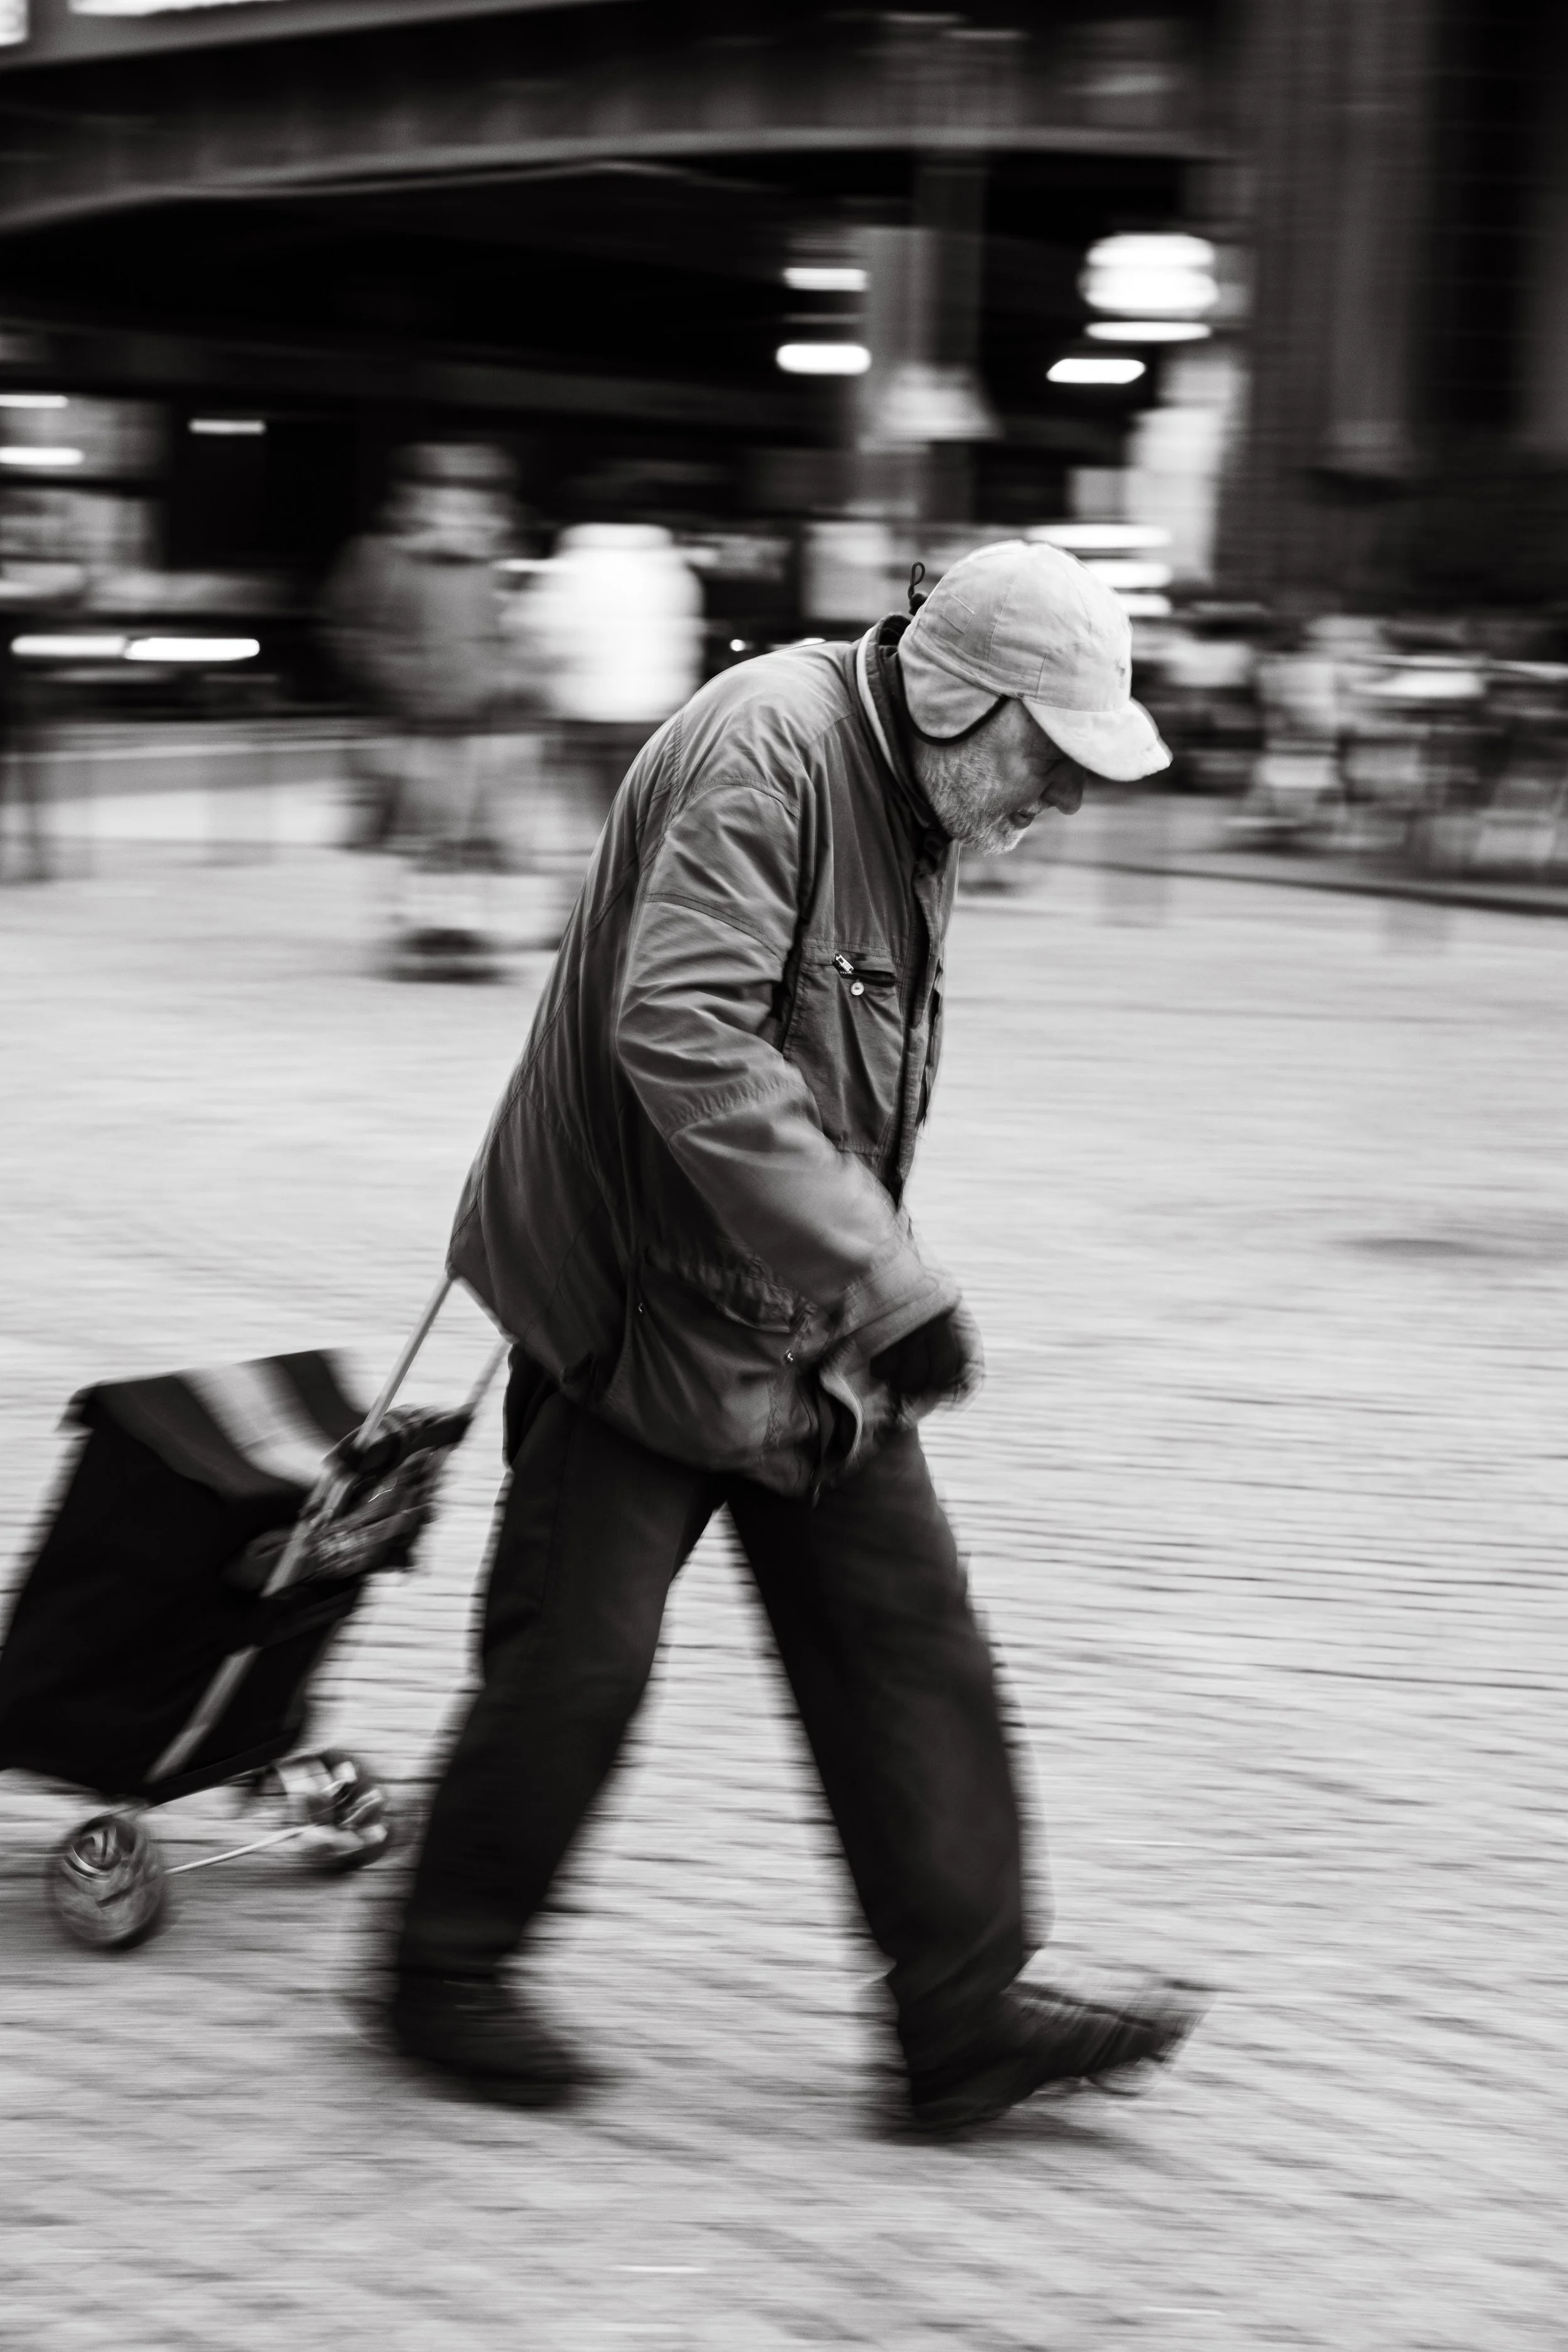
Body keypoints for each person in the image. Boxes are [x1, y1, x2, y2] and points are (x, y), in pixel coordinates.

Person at [389, 538, 1205, 2133]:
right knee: (583, 1655)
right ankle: (443, 1970)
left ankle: (959, 2013)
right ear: (961, 698)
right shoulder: (769, 752)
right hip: (631, 1295)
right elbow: (678, 1028)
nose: (1061, 801)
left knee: (906, 1634)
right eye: (1048, 759)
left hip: (788, 1307)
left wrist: (852, 1285)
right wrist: (882, 1279)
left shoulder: (914, 786)